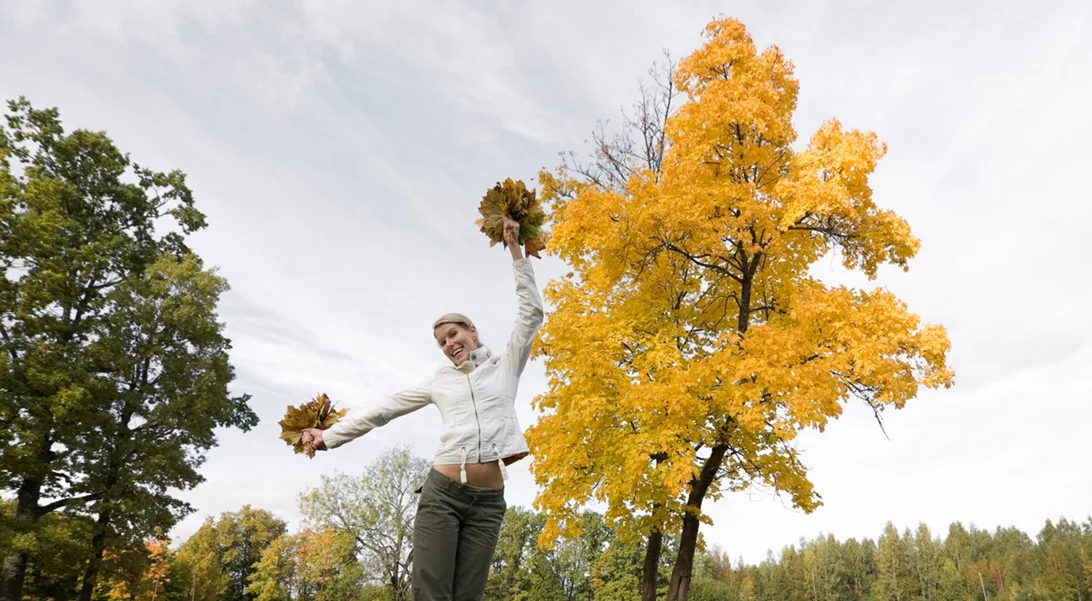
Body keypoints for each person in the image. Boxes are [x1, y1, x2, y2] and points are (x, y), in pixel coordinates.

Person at [301, 215, 543, 601]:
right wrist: (329, 437)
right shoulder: (439, 382)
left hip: (488, 505)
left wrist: (515, 251)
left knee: (467, 597)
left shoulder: (505, 367)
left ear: (472, 332)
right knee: (431, 594)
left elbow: (531, 314)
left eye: (453, 334)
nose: (449, 344)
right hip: (443, 495)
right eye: (442, 342)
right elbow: (383, 411)